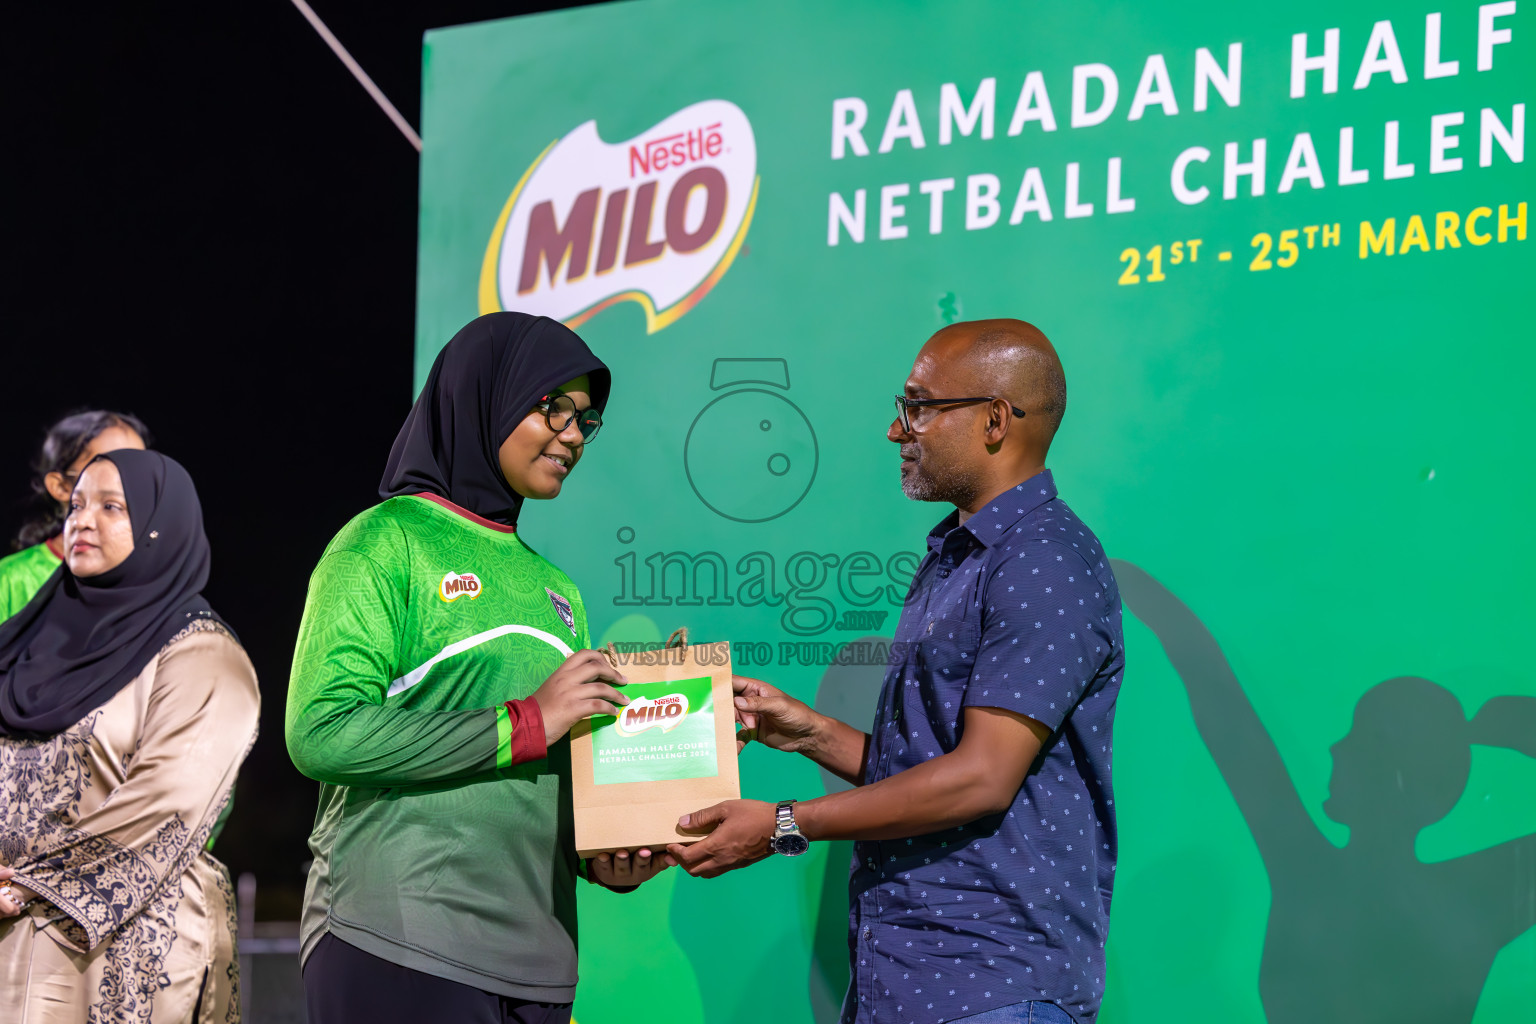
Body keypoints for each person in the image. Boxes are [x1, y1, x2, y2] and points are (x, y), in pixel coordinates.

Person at [669, 319, 1126, 1024]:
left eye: (918, 406)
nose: (896, 429)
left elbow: (981, 776)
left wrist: (785, 823)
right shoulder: (962, 555)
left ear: (996, 420)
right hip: (905, 979)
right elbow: (931, 765)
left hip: (991, 986)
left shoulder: (1043, 558)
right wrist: (811, 733)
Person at [287, 312, 668, 1024]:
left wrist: (607, 850)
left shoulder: (560, 590)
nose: (574, 435)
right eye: (553, 406)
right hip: (400, 939)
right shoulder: (384, 542)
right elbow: (320, 731)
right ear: (484, 396)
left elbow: (549, 771)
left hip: (541, 958)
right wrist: (526, 721)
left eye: (587, 420)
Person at [1113, 559, 1536, 1024]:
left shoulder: (1306, 870)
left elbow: (1221, 703)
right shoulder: (1479, 897)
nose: (1336, 747)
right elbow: (1220, 702)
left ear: (1391, 773)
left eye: (1359, 736)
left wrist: (1119, 578)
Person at [0, 449, 258, 1023]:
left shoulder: (204, 657)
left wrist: (20, 889)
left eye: (111, 507)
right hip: (9, 945)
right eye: (75, 505)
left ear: (160, 526)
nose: (82, 520)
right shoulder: (23, 644)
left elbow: (166, 806)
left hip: (131, 956)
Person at [0, 409, 149, 622]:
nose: (130, 483)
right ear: (60, 486)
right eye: (110, 467)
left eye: (142, 469)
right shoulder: (11, 580)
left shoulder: (149, 575)